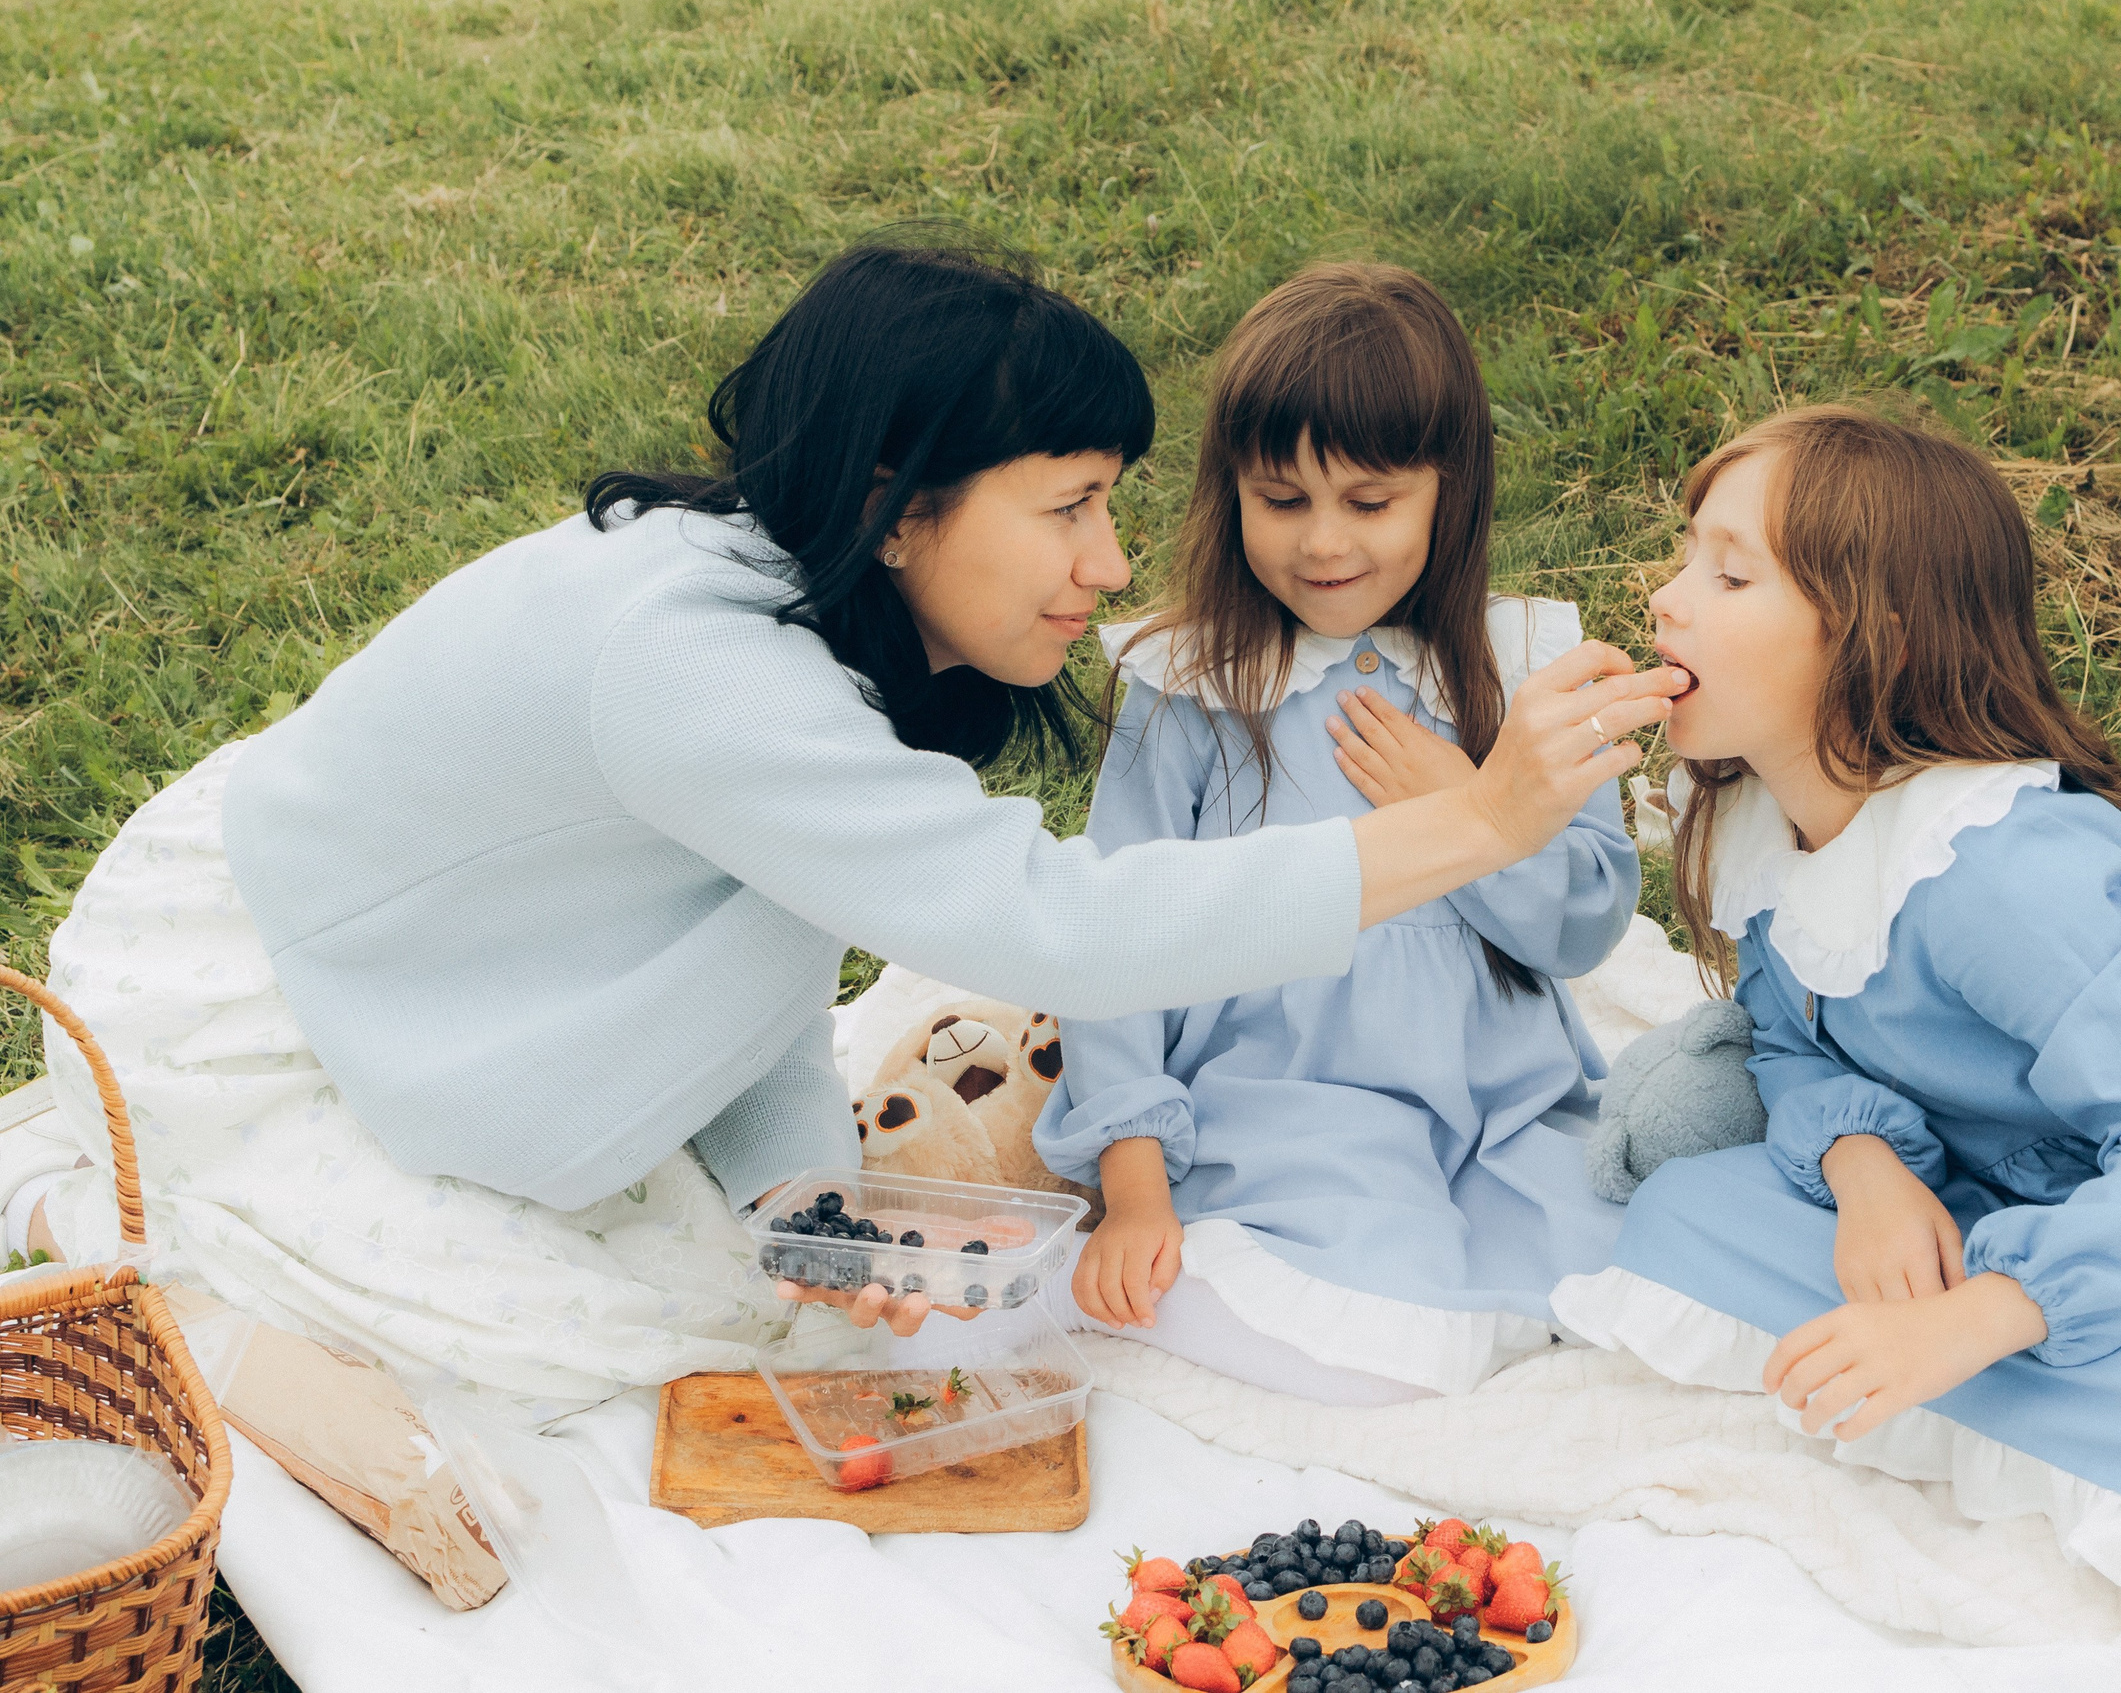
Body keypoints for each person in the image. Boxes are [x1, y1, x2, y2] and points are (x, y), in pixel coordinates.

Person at [15, 235, 1683, 1423]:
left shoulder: (790, 613)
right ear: (902, 498)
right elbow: (1061, 924)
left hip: (471, 927)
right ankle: (170, 1304)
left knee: (784, 1282)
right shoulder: (696, 667)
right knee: (593, 1335)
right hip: (301, 970)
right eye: (1068, 505)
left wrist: (807, 1194)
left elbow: (760, 942)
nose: (1110, 566)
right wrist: (1477, 824)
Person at [1550, 405, 2121, 1583]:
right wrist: (1867, 1175)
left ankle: (1988, 1344)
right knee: (1681, 1214)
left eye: (1728, 574)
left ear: (1872, 642)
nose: (1667, 598)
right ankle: (1979, 1340)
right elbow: (1786, 1037)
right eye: (1687, 556)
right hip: (2015, 1135)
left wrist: (1973, 1316)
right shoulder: (1764, 815)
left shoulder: (1999, 878)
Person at [1031, 264, 1638, 1402]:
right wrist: (1135, 1182)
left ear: (1446, 495)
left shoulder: (1522, 667)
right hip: (1295, 1100)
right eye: (1282, 500)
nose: (1321, 545)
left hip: (1506, 1094)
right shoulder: (1192, 684)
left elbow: (1588, 921)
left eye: (1367, 504)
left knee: (1607, 1280)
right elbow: (1110, 946)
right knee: (1372, 1314)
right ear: (1231, 494)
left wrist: (1464, 806)